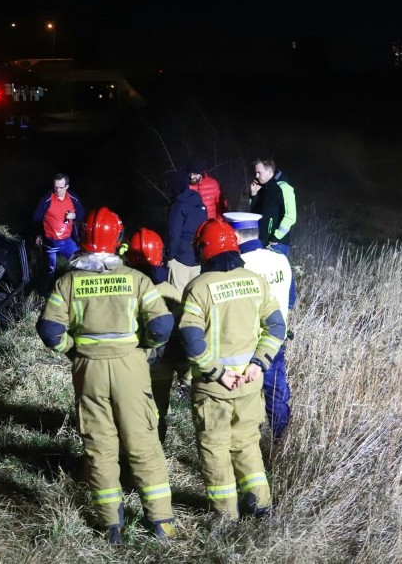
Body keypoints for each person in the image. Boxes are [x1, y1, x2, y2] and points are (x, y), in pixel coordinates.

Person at [37, 208, 178, 544]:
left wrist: (73, 348)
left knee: (99, 447)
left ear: (84, 239)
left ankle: (110, 524)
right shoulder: (136, 279)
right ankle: (161, 521)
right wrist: (142, 347)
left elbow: (50, 329)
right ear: (118, 241)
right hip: (131, 367)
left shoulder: (68, 282)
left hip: (89, 370)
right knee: (143, 442)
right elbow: (161, 325)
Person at [179, 218, 286, 520]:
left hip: (214, 388)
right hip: (250, 384)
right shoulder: (256, 281)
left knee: (215, 448)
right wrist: (259, 363)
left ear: (204, 249)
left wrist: (217, 372)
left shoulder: (198, 287)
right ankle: (260, 504)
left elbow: (191, 339)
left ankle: (226, 515)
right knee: (247, 443)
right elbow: (277, 326)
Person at [224, 212, 295, 439]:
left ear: (234, 235)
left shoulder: (238, 266)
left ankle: (244, 442)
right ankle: (279, 440)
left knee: (243, 397)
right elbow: (291, 299)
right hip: (275, 339)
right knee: (276, 392)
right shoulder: (280, 259)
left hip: (246, 342)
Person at [125, 228, 189, 444]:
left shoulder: (122, 286)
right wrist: (185, 374)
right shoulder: (171, 292)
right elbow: (181, 336)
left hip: (125, 365)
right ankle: (154, 456)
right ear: (160, 256)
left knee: (125, 412)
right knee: (156, 413)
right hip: (159, 368)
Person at [32, 173, 85, 280]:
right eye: (55, 187)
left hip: (67, 241)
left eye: (61, 187)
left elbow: (82, 212)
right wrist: (38, 235)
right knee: (50, 270)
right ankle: (48, 288)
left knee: (80, 263)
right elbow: (36, 218)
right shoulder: (47, 199)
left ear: (67, 187)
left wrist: (74, 216)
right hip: (50, 241)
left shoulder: (73, 198)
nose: (57, 190)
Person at [165, 170, 208, 293]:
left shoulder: (178, 206)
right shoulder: (201, 205)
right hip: (196, 258)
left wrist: (169, 256)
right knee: (194, 297)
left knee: (177, 298)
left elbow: (174, 234)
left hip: (180, 259)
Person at [249, 159, 297, 257]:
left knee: (280, 272)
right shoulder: (263, 188)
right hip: (262, 242)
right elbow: (254, 214)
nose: (256, 176)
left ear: (270, 171)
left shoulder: (284, 188)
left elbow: (290, 216)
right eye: (255, 173)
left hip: (277, 245)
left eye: (259, 172)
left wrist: (275, 237)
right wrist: (253, 194)